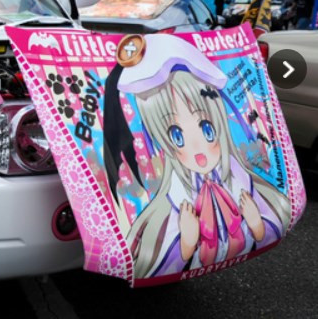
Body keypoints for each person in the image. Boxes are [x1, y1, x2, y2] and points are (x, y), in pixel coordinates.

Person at [103, 34, 291, 279]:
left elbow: (275, 221)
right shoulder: (174, 197)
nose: (196, 147)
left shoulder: (241, 179)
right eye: (176, 136)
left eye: (207, 129)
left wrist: (257, 225)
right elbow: (157, 260)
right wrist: (186, 244)